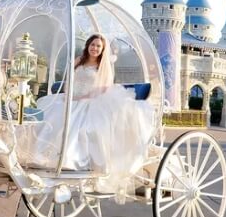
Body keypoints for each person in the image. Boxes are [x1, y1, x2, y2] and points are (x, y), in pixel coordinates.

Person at [21, 34, 154, 196]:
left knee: (73, 122)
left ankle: (66, 159)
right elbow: (69, 79)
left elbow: (104, 87)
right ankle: (36, 154)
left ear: (103, 49)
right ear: (88, 46)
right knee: (49, 109)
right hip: (71, 96)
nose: (95, 48)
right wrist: (69, 94)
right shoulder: (79, 60)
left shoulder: (103, 66)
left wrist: (84, 97)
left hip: (90, 99)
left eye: (99, 46)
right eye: (93, 45)